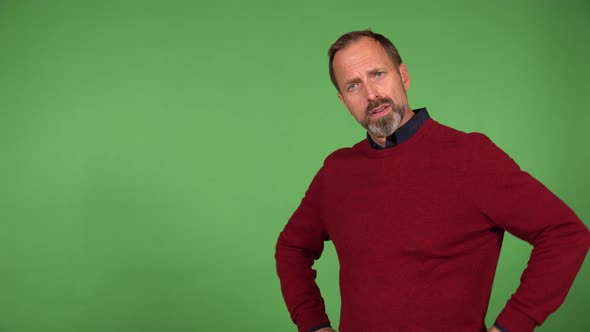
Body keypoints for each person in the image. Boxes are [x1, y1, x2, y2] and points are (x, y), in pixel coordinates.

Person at [274, 30, 590, 332]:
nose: (371, 94)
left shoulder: (470, 156)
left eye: (378, 75)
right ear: (343, 101)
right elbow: (291, 248)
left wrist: (514, 324)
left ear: (403, 75)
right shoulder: (337, 172)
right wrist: (313, 324)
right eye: (353, 85)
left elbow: (564, 233)